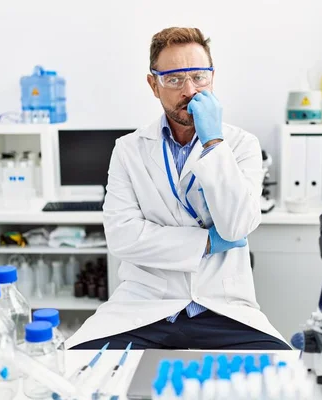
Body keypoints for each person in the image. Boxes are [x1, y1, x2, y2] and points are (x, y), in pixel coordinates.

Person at [65, 27, 290, 350]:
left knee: (278, 376)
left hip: (223, 307)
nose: (190, 90)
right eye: (173, 80)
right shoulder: (128, 150)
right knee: (77, 367)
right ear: (153, 85)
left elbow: (239, 225)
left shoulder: (241, 146)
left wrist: (214, 143)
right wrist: (207, 243)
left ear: (213, 78)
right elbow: (122, 236)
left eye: (199, 76)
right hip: (145, 307)